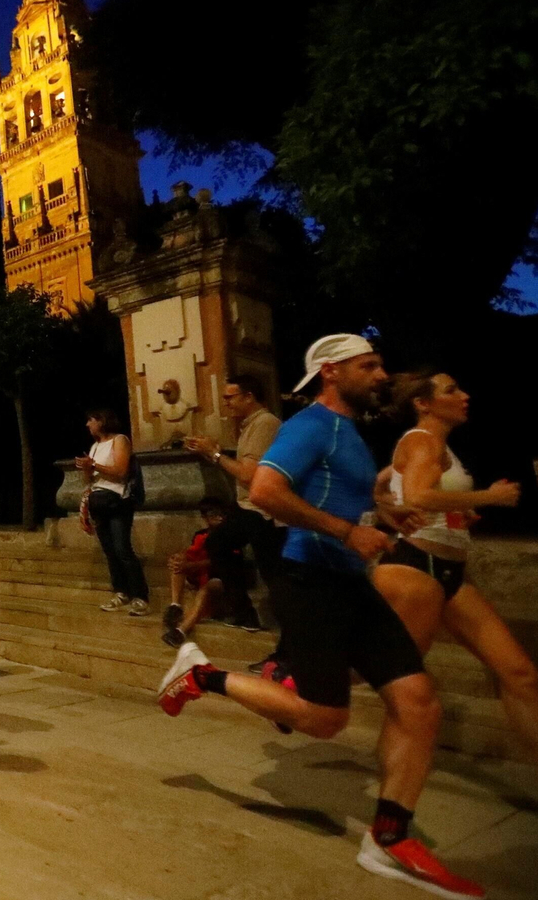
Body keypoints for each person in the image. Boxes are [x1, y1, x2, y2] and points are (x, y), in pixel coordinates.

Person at [156, 334, 483, 899]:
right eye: (369, 366)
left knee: (418, 702)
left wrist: (382, 519)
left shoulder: (350, 432)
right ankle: (202, 675)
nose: (382, 376)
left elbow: (339, 501)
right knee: (325, 718)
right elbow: (265, 489)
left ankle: (389, 838)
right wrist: (345, 532)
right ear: (332, 373)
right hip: (311, 582)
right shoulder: (311, 425)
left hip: (351, 583)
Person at [374, 369, 538, 847]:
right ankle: (388, 820)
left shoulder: (428, 444)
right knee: (404, 690)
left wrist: (426, 507)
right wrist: (487, 497)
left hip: (449, 572)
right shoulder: (423, 439)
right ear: (423, 404)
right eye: (452, 390)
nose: (465, 395)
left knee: (520, 674)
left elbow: (391, 485)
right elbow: (424, 495)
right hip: (414, 571)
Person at [185, 374, 283, 640]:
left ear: (249, 396)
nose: (226, 403)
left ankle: (289, 633)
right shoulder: (251, 425)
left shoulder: (265, 424)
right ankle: (244, 613)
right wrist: (211, 451)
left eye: (230, 397)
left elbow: (247, 475)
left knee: (273, 572)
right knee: (218, 542)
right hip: (248, 506)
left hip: (262, 509)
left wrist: (215, 455)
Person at [77, 408, 149, 616]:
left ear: (102, 421)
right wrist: (87, 469)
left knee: (123, 549)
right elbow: (90, 481)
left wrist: (95, 464)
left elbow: (121, 470)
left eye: (91, 420)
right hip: (99, 502)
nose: (88, 425)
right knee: (109, 551)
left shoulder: (120, 440)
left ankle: (140, 596)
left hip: (118, 501)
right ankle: (120, 592)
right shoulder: (94, 446)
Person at [162, 499, 227, 648]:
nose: (220, 518)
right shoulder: (201, 534)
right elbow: (192, 552)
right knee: (179, 560)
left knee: (206, 589)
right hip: (200, 574)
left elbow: (222, 560)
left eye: (222, 514)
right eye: (214, 514)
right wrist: (178, 558)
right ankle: (175, 605)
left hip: (221, 578)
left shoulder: (227, 535)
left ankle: (182, 631)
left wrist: (192, 565)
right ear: (204, 517)